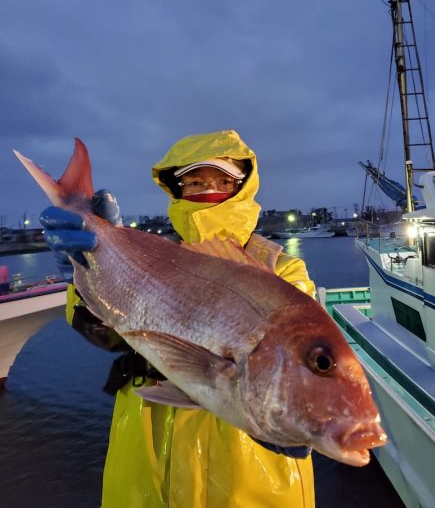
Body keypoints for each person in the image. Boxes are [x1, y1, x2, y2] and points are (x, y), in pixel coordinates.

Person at [41, 129, 316, 507]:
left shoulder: (282, 269)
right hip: (145, 456)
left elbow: (305, 353)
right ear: (177, 188)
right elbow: (107, 335)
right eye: (196, 181)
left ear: (243, 187)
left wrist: (297, 420)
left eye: (222, 180)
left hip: (249, 478)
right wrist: (85, 270)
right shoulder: (156, 257)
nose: (208, 189)